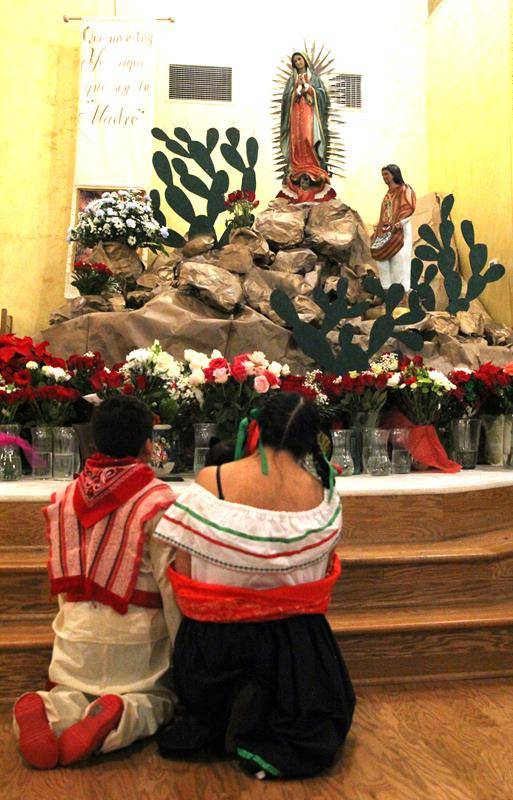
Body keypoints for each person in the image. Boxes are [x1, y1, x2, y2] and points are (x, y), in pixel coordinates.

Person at [155, 392, 355, 780]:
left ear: (256, 429)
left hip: (218, 645)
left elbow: (183, 571)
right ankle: (271, 709)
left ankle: (225, 707)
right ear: (312, 439)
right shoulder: (323, 494)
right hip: (296, 649)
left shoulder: (213, 481)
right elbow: (320, 574)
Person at [12, 396, 180, 769]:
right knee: (158, 701)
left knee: (72, 693)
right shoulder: (158, 500)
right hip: (136, 640)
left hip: (75, 639)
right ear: (148, 445)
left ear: (92, 442)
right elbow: (170, 588)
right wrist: (183, 650)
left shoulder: (64, 497)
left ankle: (49, 707)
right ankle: (122, 716)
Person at [280, 52, 331, 188]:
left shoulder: (314, 78)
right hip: (296, 114)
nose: (298, 62)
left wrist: (308, 88)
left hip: (309, 113)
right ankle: (297, 166)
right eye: (295, 61)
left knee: (308, 137)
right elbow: (286, 99)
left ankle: (313, 164)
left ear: (305, 60)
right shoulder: (292, 80)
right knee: (297, 139)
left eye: (299, 59)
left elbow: (322, 95)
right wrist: (296, 92)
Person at [371, 164, 416, 292]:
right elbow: (386, 213)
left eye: (386, 174)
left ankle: (401, 291)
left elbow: (409, 208)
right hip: (386, 231)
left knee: (400, 259)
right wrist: (380, 224)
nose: (384, 177)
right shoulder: (388, 194)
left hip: (401, 231)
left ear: (394, 174)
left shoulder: (405, 189)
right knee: (381, 258)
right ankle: (387, 289)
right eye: (382, 175)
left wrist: (400, 221)